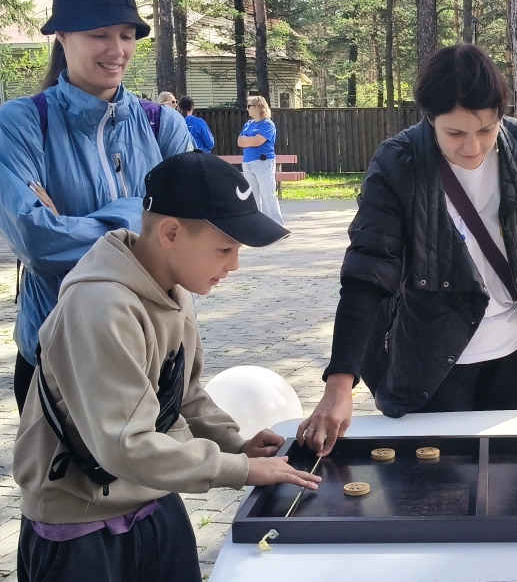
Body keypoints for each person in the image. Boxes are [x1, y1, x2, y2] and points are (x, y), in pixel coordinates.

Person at [14, 151, 304, 582]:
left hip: (154, 500)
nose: (235, 265)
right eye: (225, 248)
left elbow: (183, 391)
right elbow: (126, 445)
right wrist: (237, 471)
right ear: (170, 232)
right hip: (80, 526)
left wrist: (234, 444)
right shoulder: (101, 307)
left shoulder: (173, 287)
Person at [297, 44, 517, 457]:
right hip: (432, 360)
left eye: (486, 130)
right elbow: (367, 273)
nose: (473, 147)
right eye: (455, 133)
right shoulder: (399, 163)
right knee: (430, 490)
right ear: (429, 118)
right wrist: (339, 384)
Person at [0, 0, 194, 414]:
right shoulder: (22, 123)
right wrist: (148, 219)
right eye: (100, 34)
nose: (117, 49)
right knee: (65, 488)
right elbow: (39, 243)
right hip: (57, 356)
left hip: (152, 353)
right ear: (62, 36)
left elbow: (194, 236)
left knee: (157, 483)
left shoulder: (163, 124)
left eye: (127, 34)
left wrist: (75, 223)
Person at [238, 95, 284, 226]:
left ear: (258, 107)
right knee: (252, 196)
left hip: (263, 163)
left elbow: (258, 141)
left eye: (249, 106)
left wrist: (249, 140)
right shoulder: (248, 124)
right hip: (248, 162)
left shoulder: (267, 124)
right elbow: (239, 142)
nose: (247, 109)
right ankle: (257, 225)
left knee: (267, 194)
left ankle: (276, 225)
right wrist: (250, 140)